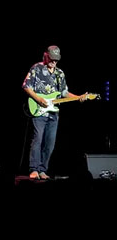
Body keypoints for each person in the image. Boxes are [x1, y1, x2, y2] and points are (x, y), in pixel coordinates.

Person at [22, 45, 88, 180]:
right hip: (39, 110)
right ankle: (34, 169)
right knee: (37, 139)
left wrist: (78, 97)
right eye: (52, 59)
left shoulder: (60, 73)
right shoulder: (36, 68)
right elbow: (26, 86)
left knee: (50, 143)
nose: (54, 62)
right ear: (46, 55)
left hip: (53, 113)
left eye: (56, 60)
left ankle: (42, 170)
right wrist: (39, 99)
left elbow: (63, 92)